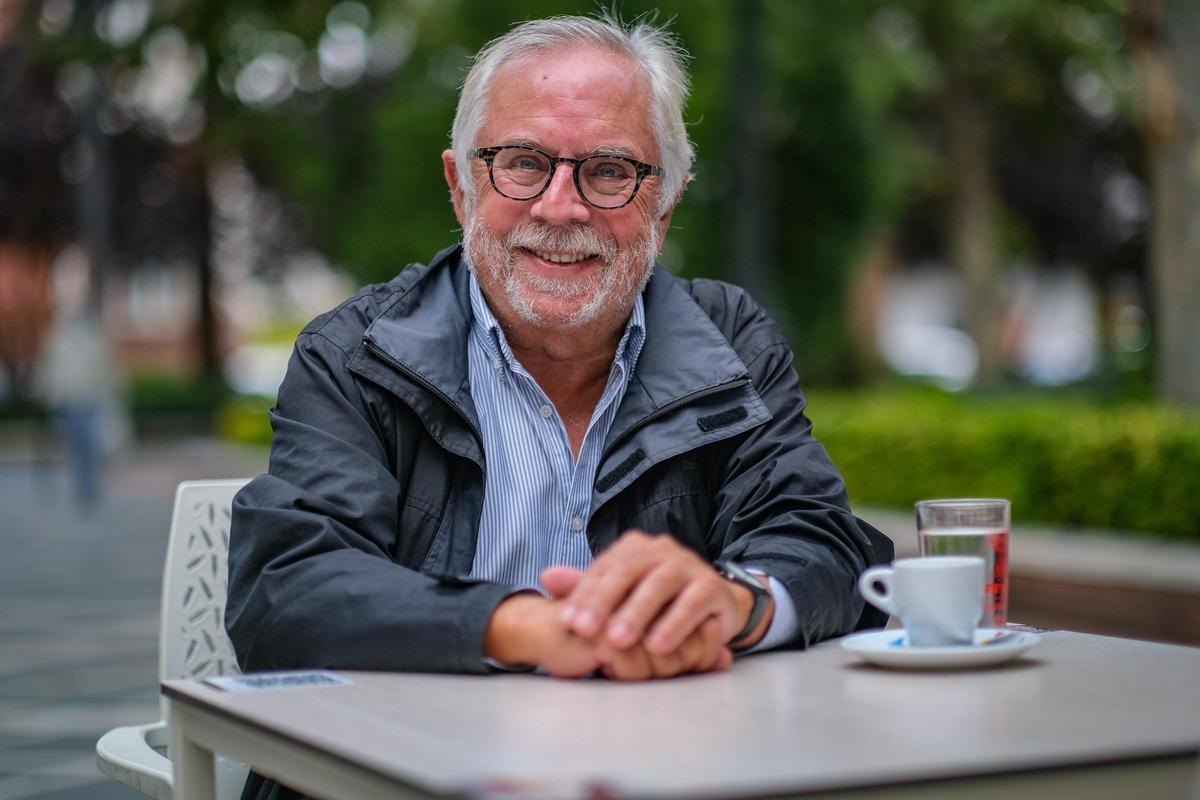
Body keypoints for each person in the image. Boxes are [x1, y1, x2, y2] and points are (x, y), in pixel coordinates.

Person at [228, 14, 892, 797]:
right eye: (523, 164)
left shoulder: (731, 342)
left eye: (609, 171)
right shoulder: (356, 353)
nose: (561, 206)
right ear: (460, 184)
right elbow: (285, 587)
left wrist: (733, 604)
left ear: (666, 201)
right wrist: (529, 628)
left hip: (665, 772)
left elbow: (821, 538)